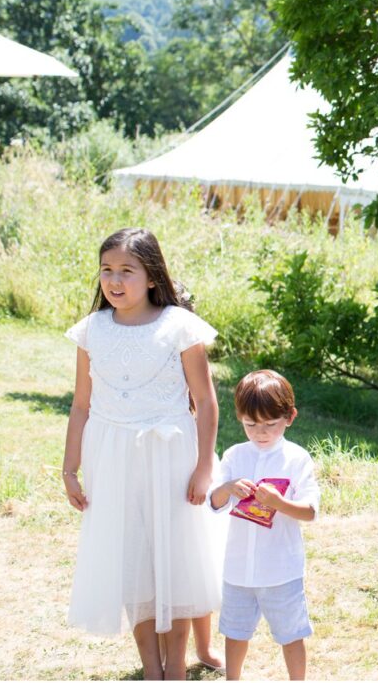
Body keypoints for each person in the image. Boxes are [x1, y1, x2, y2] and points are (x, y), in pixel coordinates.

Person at [62, 228, 222, 680]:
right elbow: (80, 404)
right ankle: (151, 669)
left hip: (172, 456)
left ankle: (176, 669)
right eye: (107, 270)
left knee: (173, 563)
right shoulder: (92, 330)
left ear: (151, 276)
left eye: (126, 271)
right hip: (111, 457)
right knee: (133, 562)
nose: (114, 280)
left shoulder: (179, 326)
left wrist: (204, 466)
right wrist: (70, 467)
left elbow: (206, 401)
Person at [209, 370, 319, 681]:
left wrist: (279, 503)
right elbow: (214, 503)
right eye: (250, 424)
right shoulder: (234, 456)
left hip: (280, 569)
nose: (260, 432)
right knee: (235, 630)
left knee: (291, 632)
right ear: (240, 418)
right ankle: (234, 677)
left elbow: (310, 511)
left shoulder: (296, 459)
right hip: (238, 567)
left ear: (289, 417)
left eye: (270, 424)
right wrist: (228, 487)